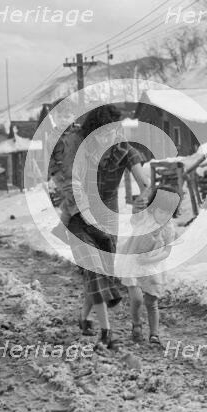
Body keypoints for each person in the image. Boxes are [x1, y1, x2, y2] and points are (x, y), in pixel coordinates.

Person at [63, 104, 150, 348]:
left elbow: (144, 180)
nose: (107, 138)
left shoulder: (125, 151)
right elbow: (73, 183)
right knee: (93, 267)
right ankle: (106, 331)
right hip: (78, 214)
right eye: (102, 134)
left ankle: (84, 316)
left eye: (111, 132)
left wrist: (148, 198)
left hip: (108, 217)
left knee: (102, 271)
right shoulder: (79, 149)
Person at [120, 186, 179, 345]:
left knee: (152, 301)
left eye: (168, 213)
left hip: (153, 266)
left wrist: (150, 261)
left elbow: (167, 252)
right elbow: (135, 218)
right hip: (133, 262)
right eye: (161, 211)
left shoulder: (169, 228)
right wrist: (136, 206)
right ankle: (137, 324)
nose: (164, 216)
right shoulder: (145, 218)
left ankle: (154, 334)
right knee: (137, 299)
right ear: (153, 208)